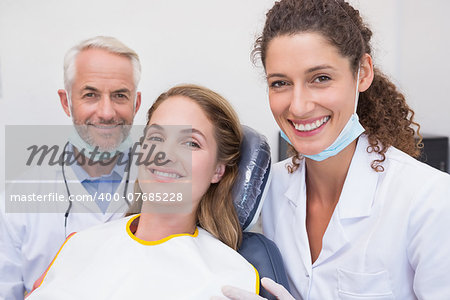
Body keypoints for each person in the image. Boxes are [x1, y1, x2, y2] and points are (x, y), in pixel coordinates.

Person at [219, 0, 450, 299]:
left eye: (321, 78)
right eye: (280, 83)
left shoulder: (430, 201)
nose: (298, 105)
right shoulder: (267, 191)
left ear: (363, 73)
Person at [26, 84, 259, 299]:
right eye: (156, 137)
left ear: (218, 171)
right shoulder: (79, 244)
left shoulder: (231, 278)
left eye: (190, 143)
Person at [0, 36, 141, 299]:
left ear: (137, 103)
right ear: (66, 102)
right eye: (90, 95)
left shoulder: (166, 185)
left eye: (120, 95)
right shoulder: (15, 202)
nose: (107, 112)